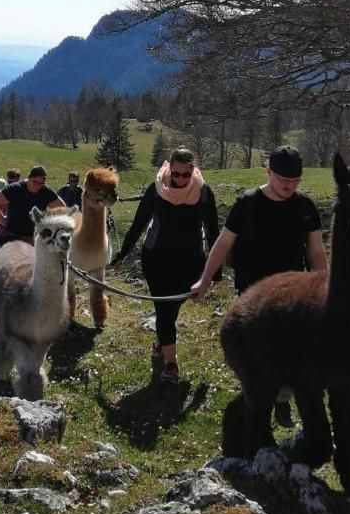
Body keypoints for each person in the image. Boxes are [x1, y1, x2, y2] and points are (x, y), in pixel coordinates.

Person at [191, 145, 327, 424]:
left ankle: (283, 398)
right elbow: (223, 244)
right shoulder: (247, 203)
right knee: (258, 354)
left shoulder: (305, 208)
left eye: (295, 181)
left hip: (293, 294)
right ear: (268, 172)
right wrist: (205, 280)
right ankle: (257, 405)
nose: (289, 186)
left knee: (293, 350)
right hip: (252, 294)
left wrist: (324, 286)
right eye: (283, 180)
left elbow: (315, 251)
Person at [109, 147, 219, 383]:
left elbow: (213, 231)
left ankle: (161, 341)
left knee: (172, 308)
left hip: (190, 261)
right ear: (169, 168)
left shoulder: (203, 193)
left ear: (193, 171)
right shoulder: (157, 189)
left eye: (185, 175)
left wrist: (215, 269)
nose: (179, 180)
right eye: (175, 174)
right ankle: (172, 364)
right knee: (164, 311)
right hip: (156, 259)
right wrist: (123, 253)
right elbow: (139, 223)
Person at [0, 166, 65, 248]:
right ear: (29, 178)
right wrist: (3, 221)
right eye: (35, 182)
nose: (37, 186)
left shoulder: (45, 191)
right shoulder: (15, 189)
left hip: (32, 238)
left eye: (41, 183)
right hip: (12, 236)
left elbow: (62, 208)